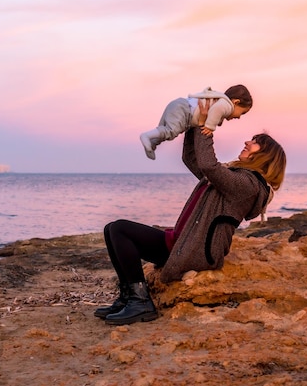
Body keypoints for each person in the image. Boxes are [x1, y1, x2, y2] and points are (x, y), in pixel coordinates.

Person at [96, 99, 286, 325]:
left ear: (266, 156)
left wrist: (209, 125)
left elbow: (208, 166)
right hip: (182, 241)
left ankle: (141, 303)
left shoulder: (248, 185)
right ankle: (129, 297)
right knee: (112, 229)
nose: (247, 142)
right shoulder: (234, 178)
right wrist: (196, 122)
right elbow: (193, 160)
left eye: (255, 143)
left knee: (120, 229)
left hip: (197, 251)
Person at [140, 84, 253, 160]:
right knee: (170, 131)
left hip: (180, 106)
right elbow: (216, 111)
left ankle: (153, 144)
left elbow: (216, 113)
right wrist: (209, 127)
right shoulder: (226, 105)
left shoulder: (220, 102)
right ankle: (146, 136)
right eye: (242, 113)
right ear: (236, 102)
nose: (239, 117)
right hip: (184, 110)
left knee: (164, 129)